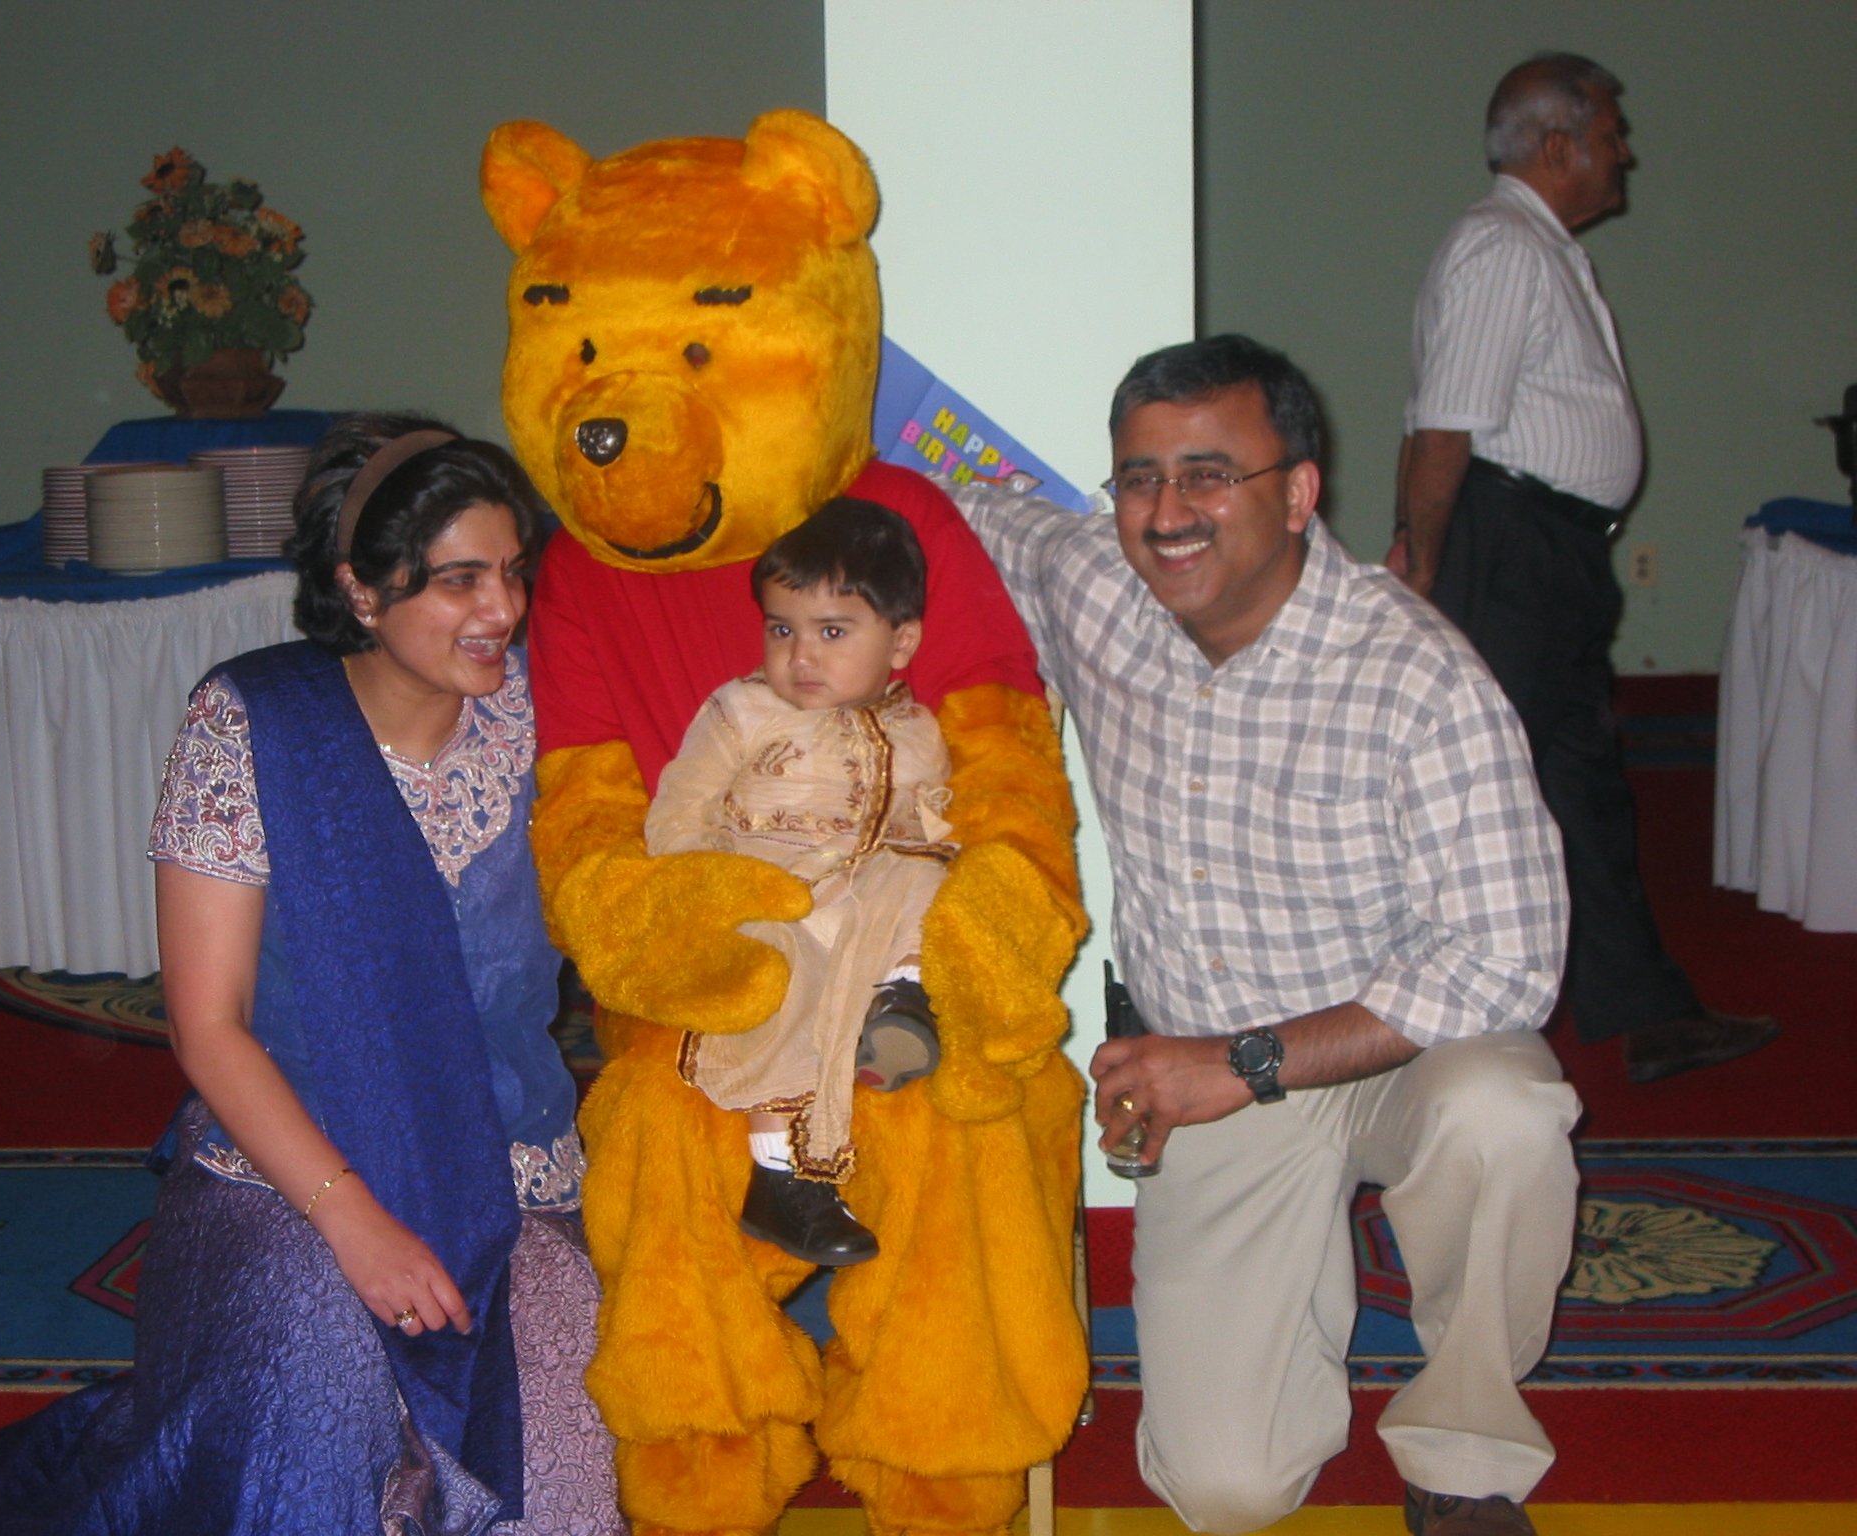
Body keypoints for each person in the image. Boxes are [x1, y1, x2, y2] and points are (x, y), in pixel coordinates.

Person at [949, 335, 1577, 1536]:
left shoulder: (1417, 677)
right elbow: (953, 508)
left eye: (1207, 475)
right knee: (1225, 1490)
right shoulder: (1094, 580)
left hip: (1399, 1049)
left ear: (1296, 493)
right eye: (1138, 478)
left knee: (1504, 1116)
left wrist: (1244, 1062)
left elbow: (1507, 959)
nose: (1164, 513)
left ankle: (1462, 1450)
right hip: (1210, 1071)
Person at [0, 414, 623, 1535]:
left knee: (557, 1501)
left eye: (513, 572)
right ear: (360, 589)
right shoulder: (254, 724)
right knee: (305, 1445)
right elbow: (208, 1026)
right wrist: (353, 1222)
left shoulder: (551, 718)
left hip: (511, 1178)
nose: (502, 610)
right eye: (458, 580)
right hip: (289, 1176)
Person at [1387, 52, 1776, 1085]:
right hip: (1507, 547)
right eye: (1610, 133)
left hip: (1541, 551)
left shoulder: (1531, 247)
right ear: (1556, 146)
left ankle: (1647, 1010)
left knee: (1577, 784)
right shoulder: (1501, 246)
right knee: (1475, 786)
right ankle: (1394, 1011)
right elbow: (1442, 430)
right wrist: (1424, 569)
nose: (1625, 152)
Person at [645, 497, 953, 1268]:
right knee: (778, 971)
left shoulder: (919, 732)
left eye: (832, 632)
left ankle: (904, 998)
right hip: (766, 897)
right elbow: (678, 812)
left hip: (860, 908)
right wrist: (710, 891)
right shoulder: (742, 711)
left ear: (901, 642)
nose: (801, 656)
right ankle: (781, 1179)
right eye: (782, 630)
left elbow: (931, 826)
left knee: (927, 874)